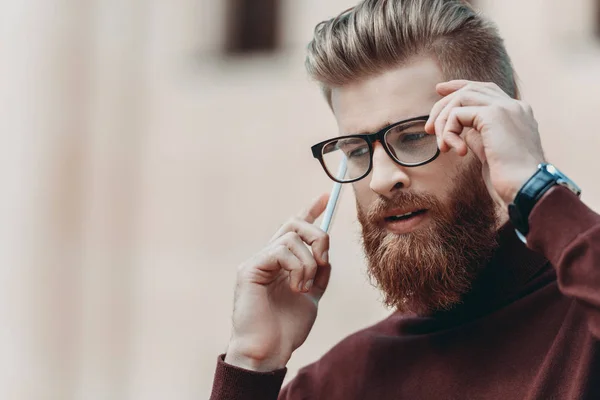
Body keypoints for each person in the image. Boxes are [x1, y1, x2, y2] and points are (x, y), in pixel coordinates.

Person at [210, 1, 600, 398]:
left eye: (413, 136)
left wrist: (536, 189)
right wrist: (251, 364)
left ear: (494, 124)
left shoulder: (584, 319)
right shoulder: (335, 384)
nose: (381, 179)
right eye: (357, 150)